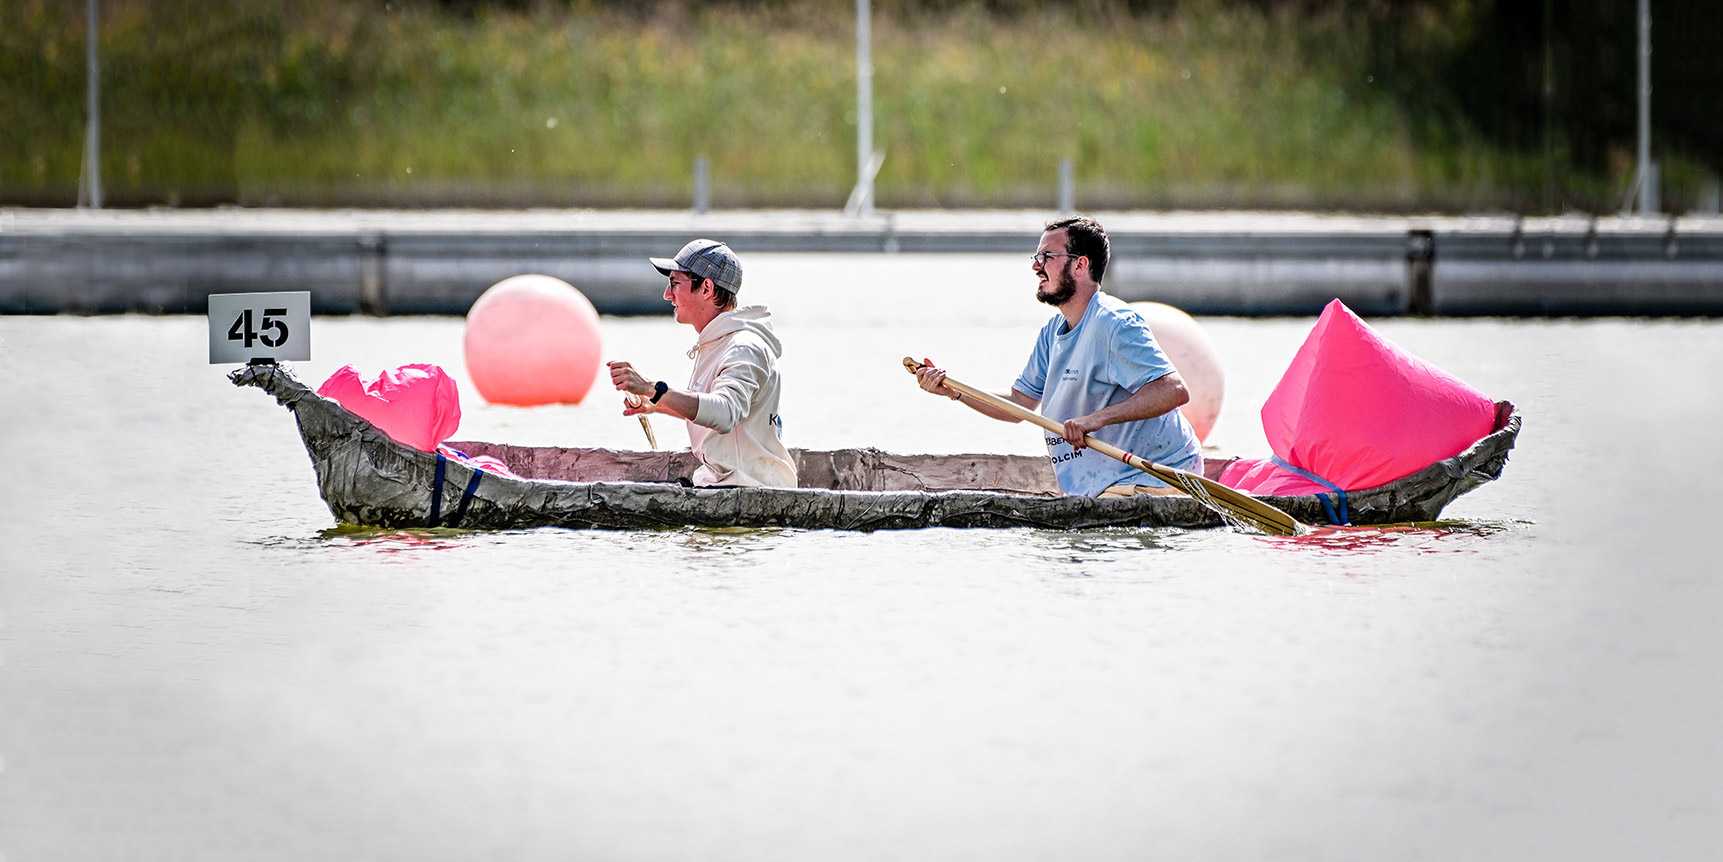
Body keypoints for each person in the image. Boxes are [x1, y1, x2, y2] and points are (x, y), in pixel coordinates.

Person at [914, 216, 1202, 497]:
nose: (1036, 267)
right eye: (1036, 257)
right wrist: (953, 390)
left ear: (1080, 264)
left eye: (1047, 256)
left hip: (1158, 476)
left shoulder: (1115, 324)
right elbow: (1019, 404)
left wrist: (1095, 420)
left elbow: (1173, 390)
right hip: (1100, 486)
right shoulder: (1051, 332)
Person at [608, 238, 798, 488]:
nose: (667, 295)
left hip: (750, 487)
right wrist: (655, 404)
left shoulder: (744, 347)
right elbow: (712, 410)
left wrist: (654, 390)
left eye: (674, 283)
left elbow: (724, 413)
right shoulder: (719, 342)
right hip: (726, 483)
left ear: (706, 288)